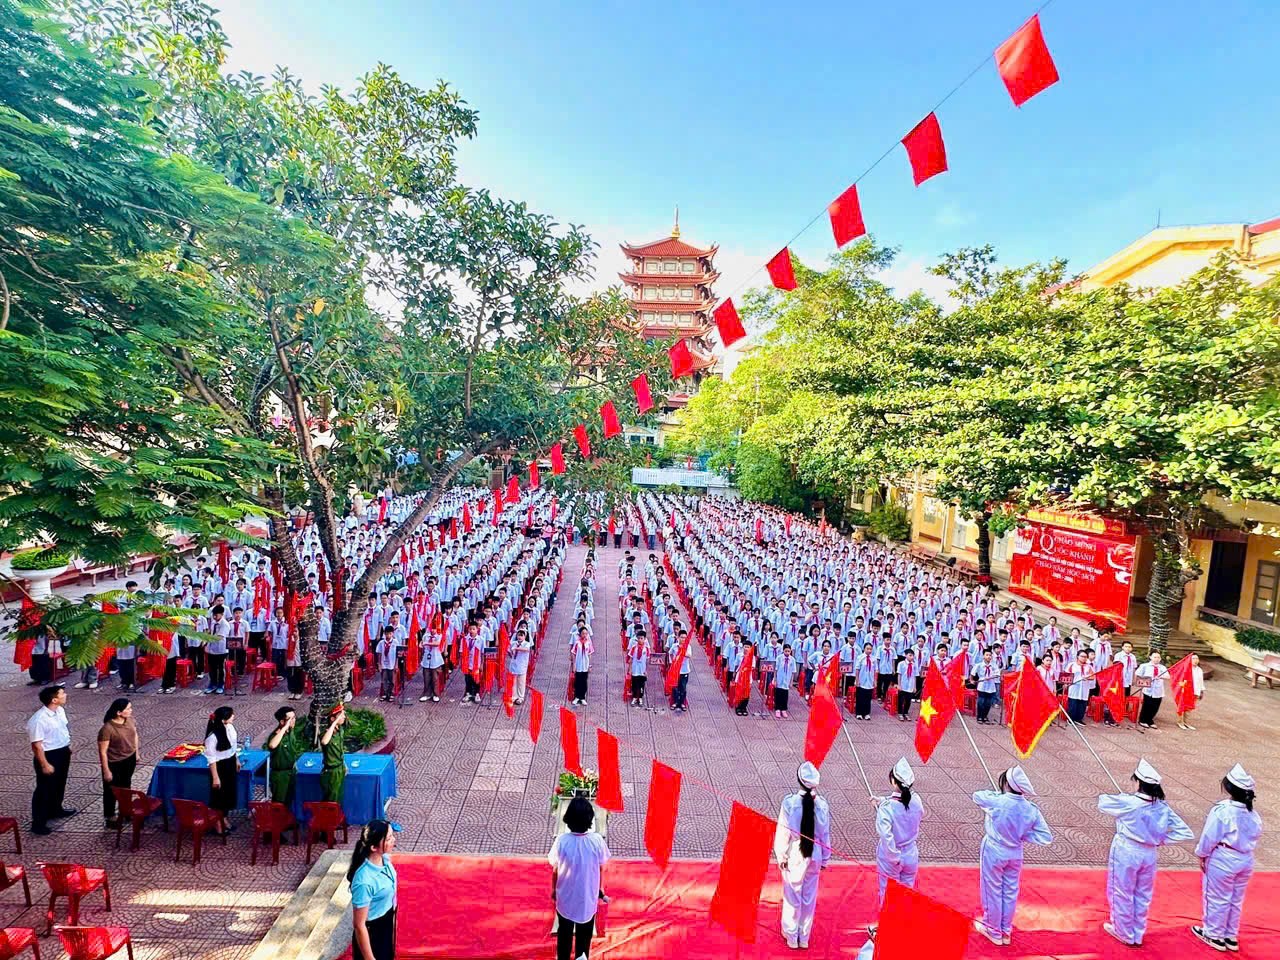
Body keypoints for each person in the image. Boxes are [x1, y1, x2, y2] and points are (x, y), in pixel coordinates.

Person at [1098, 759, 1193, 946]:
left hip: (1127, 850)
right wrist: (1160, 840)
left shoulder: (1130, 802)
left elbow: (1102, 802)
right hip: (1149, 853)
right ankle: (1137, 933)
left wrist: (1124, 798)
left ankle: (1123, 931)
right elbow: (1185, 832)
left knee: (1121, 890)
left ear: (1139, 782)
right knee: (1143, 893)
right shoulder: (1162, 807)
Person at [972, 765, 1053, 946]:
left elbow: (977, 796)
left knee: (992, 889)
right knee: (1010, 891)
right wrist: (1022, 835)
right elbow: (1045, 836)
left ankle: (992, 930)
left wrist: (998, 796)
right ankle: (1005, 930)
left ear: (1007, 784)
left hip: (994, 849)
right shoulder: (1031, 809)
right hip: (1015, 852)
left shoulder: (998, 801)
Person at [1191, 764, 1261, 951]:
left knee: (1217, 897)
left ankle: (1214, 934)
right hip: (1245, 859)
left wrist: (1202, 854)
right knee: (1235, 899)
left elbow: (1209, 837)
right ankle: (1230, 935)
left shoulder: (1223, 810)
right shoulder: (1253, 813)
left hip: (1224, 858)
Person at [774, 761, 831, 950]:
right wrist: (825, 857)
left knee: (793, 894)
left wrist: (781, 855)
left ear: (799, 780)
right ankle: (803, 936)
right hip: (815, 852)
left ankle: (791, 935)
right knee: (809, 896)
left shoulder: (790, 803)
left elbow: (783, 831)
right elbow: (825, 833)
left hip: (796, 852)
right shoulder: (822, 804)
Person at [548, 796, 610, 960]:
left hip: (565, 899)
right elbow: (601, 866)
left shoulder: (561, 841)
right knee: (584, 936)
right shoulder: (597, 841)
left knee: (564, 932)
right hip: (587, 899)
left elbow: (555, 868)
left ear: (568, 819)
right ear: (590, 819)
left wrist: (554, 890)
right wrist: (600, 888)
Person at [874, 758, 924, 906]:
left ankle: (889, 921)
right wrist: (882, 800)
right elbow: (903, 803)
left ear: (893, 782)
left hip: (893, 855)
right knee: (906, 894)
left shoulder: (887, 808)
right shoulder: (916, 800)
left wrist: (893, 856)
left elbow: (886, 835)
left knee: (887, 895)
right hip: (911, 853)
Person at [28, 684, 75, 835]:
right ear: (54, 700)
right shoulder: (39, 720)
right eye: (62, 694)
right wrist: (44, 764)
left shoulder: (60, 711)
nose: (65, 695)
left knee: (60, 783)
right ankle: (38, 823)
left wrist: (66, 746)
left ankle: (56, 809)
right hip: (48, 755)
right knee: (44, 789)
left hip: (62, 751)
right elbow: (37, 746)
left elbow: (62, 729)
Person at [349, 819, 398, 960]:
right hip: (372, 933)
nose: (393, 840)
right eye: (388, 838)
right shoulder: (364, 882)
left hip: (386, 921)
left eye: (392, 836)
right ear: (373, 847)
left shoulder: (385, 859)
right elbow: (359, 925)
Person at [98, 698, 139, 827]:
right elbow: (103, 752)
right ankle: (110, 817)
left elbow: (135, 735)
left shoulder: (130, 720)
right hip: (114, 762)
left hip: (129, 758)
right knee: (111, 790)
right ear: (118, 712)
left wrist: (136, 752)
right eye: (128, 709)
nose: (131, 710)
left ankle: (126, 811)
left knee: (126, 785)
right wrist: (106, 770)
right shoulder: (107, 729)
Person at [203, 705, 238, 835]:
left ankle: (224, 818)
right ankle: (217, 823)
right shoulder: (212, 737)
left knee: (228, 794)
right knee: (219, 796)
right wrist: (216, 777)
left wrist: (236, 760)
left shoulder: (230, 728)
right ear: (223, 719)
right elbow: (211, 759)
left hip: (230, 763)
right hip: (219, 767)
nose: (233, 716)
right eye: (231, 715)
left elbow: (233, 746)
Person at [264, 706, 303, 809]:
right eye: (290, 719)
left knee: (289, 802)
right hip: (280, 775)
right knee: (279, 805)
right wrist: (284, 728)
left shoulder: (290, 732)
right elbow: (272, 745)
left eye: (294, 718)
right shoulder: (276, 735)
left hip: (291, 772)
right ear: (282, 722)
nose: (293, 721)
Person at [1134, 651, 1170, 729]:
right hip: (1148, 689)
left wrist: (1161, 677)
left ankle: (1150, 720)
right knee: (1147, 705)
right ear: (1150, 657)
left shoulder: (1162, 667)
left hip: (1158, 689)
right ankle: (1142, 720)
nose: (1157, 659)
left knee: (1155, 706)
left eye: (1158, 657)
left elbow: (1168, 676)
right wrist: (1140, 682)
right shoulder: (1145, 666)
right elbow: (1138, 674)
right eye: (1155, 657)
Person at [320, 703, 347, 805]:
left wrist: (344, 764)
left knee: (339, 798)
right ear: (332, 719)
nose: (344, 717)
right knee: (331, 801)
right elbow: (324, 742)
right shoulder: (325, 733)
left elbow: (340, 750)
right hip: (331, 772)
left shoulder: (340, 730)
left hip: (340, 768)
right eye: (341, 715)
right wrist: (334, 722)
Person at [1177, 653, 1205, 730]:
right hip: (1186, 691)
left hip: (1196, 691)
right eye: (1193, 658)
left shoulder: (1199, 670)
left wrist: (1201, 691)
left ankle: (1186, 722)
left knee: (1189, 708)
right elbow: (1179, 679)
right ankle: (1180, 722)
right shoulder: (1186, 669)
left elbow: (1201, 682)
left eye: (1197, 658)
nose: (1196, 660)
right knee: (1182, 706)